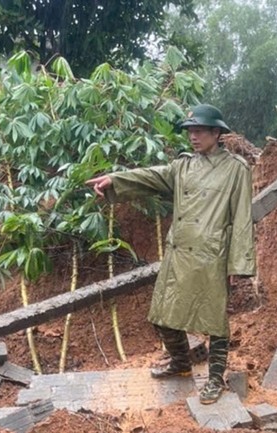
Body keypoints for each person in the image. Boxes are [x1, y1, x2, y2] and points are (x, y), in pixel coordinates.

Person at [86, 104, 255, 404]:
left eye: (200, 130)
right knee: (162, 314)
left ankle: (215, 379)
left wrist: (237, 264)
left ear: (217, 133)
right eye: (190, 131)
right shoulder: (184, 166)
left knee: (214, 321)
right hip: (179, 253)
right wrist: (115, 180)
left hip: (212, 256)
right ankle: (181, 363)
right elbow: (152, 177)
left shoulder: (235, 169)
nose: (193, 136)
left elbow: (242, 218)